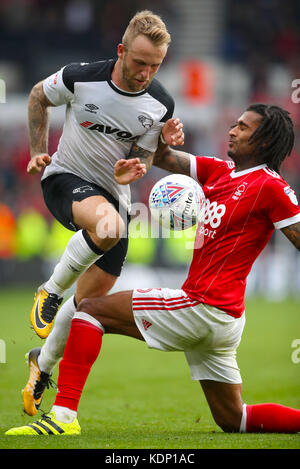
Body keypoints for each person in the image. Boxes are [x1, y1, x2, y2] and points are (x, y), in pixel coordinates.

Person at [6, 103, 300, 436]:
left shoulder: (271, 187)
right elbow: (161, 157)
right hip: (222, 317)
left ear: (263, 142)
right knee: (234, 419)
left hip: (204, 306)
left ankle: (61, 418)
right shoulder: (220, 171)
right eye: (235, 124)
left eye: (244, 127)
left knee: (89, 311)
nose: (233, 130)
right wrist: (162, 136)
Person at [22, 10, 184, 417]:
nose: (146, 73)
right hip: (65, 179)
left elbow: (141, 157)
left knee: (87, 309)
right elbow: (38, 95)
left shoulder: (160, 103)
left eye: (155, 66)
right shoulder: (82, 77)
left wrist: (135, 166)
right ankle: (50, 291)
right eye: (139, 62)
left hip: (115, 197)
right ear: (121, 50)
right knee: (107, 227)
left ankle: (40, 365)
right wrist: (37, 149)